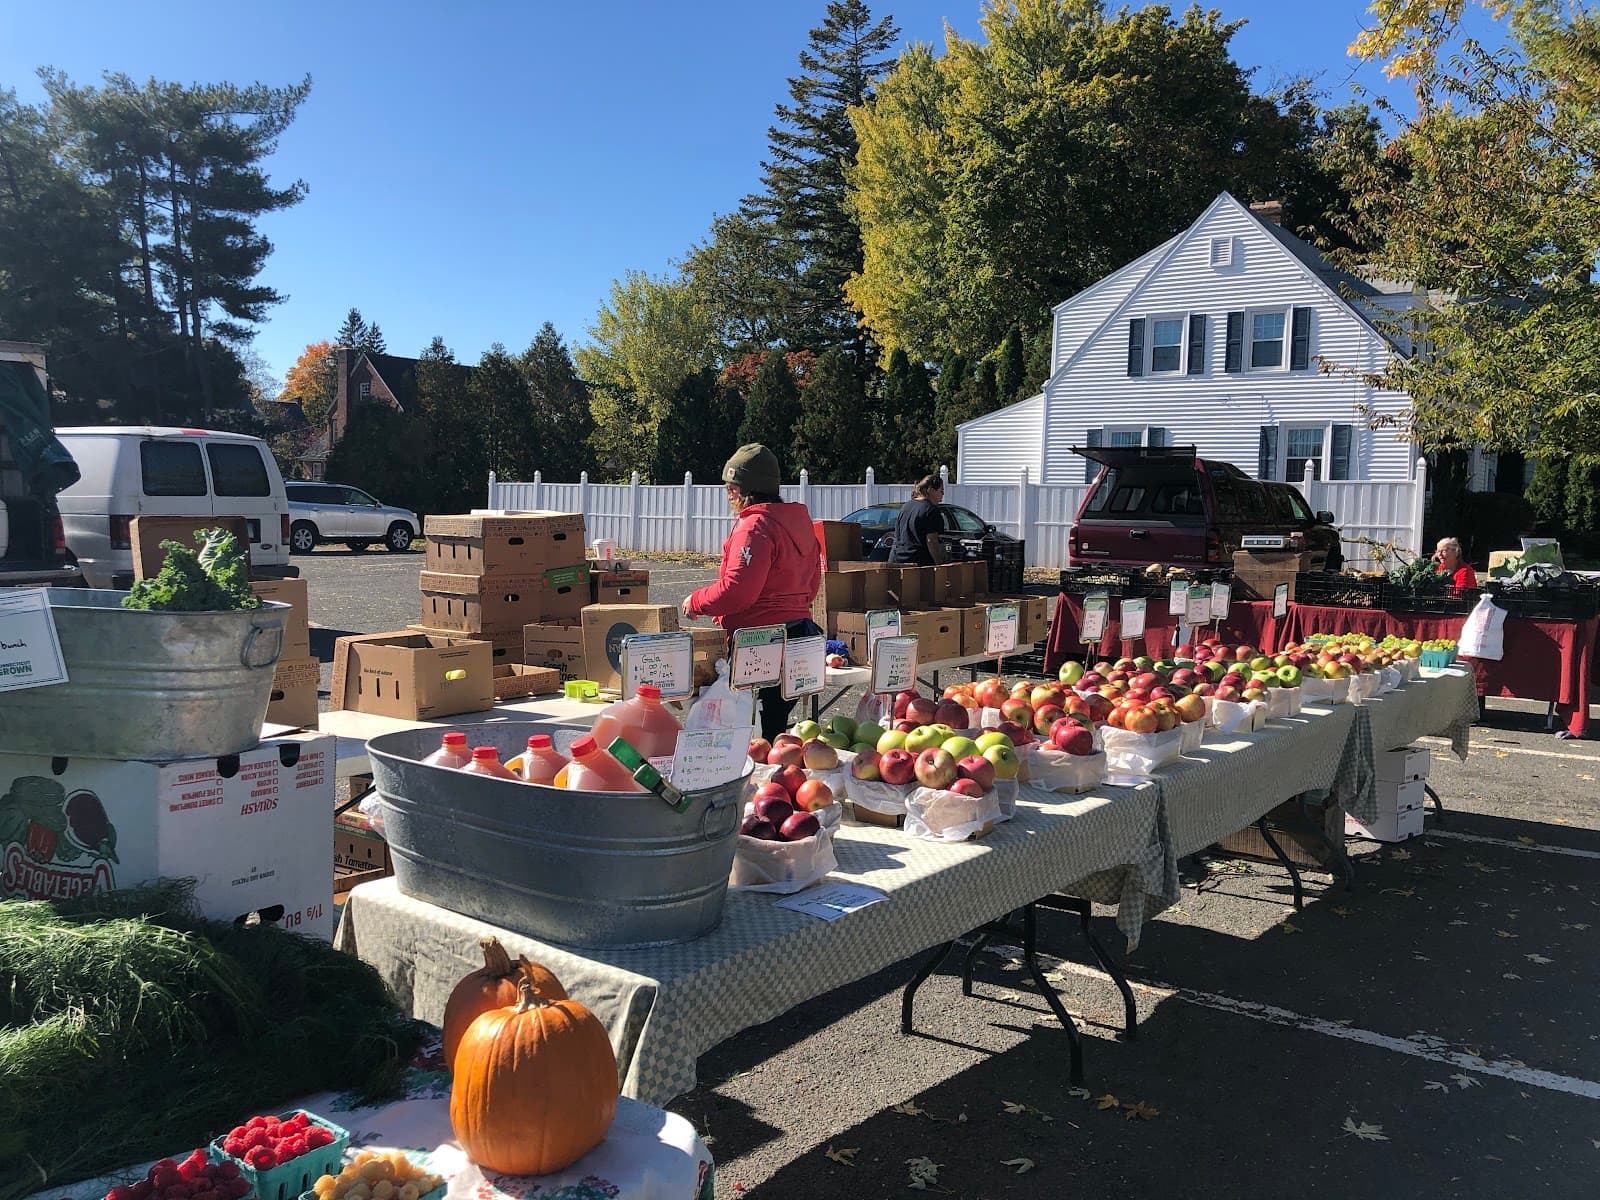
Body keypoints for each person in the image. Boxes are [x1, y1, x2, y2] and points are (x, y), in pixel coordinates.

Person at [682, 444, 822, 741]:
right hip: (801, 638)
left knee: (747, 735)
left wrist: (696, 601)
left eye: (730, 487)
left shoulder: (754, 527)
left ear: (743, 489)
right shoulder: (800, 525)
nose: (727, 494)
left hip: (760, 645)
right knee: (773, 731)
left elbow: (737, 591)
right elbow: (812, 586)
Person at [889, 474, 946, 566]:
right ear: (931, 490)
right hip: (917, 564)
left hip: (896, 560)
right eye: (941, 491)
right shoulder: (931, 510)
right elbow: (931, 541)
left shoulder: (906, 506)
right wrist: (939, 564)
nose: (943, 494)